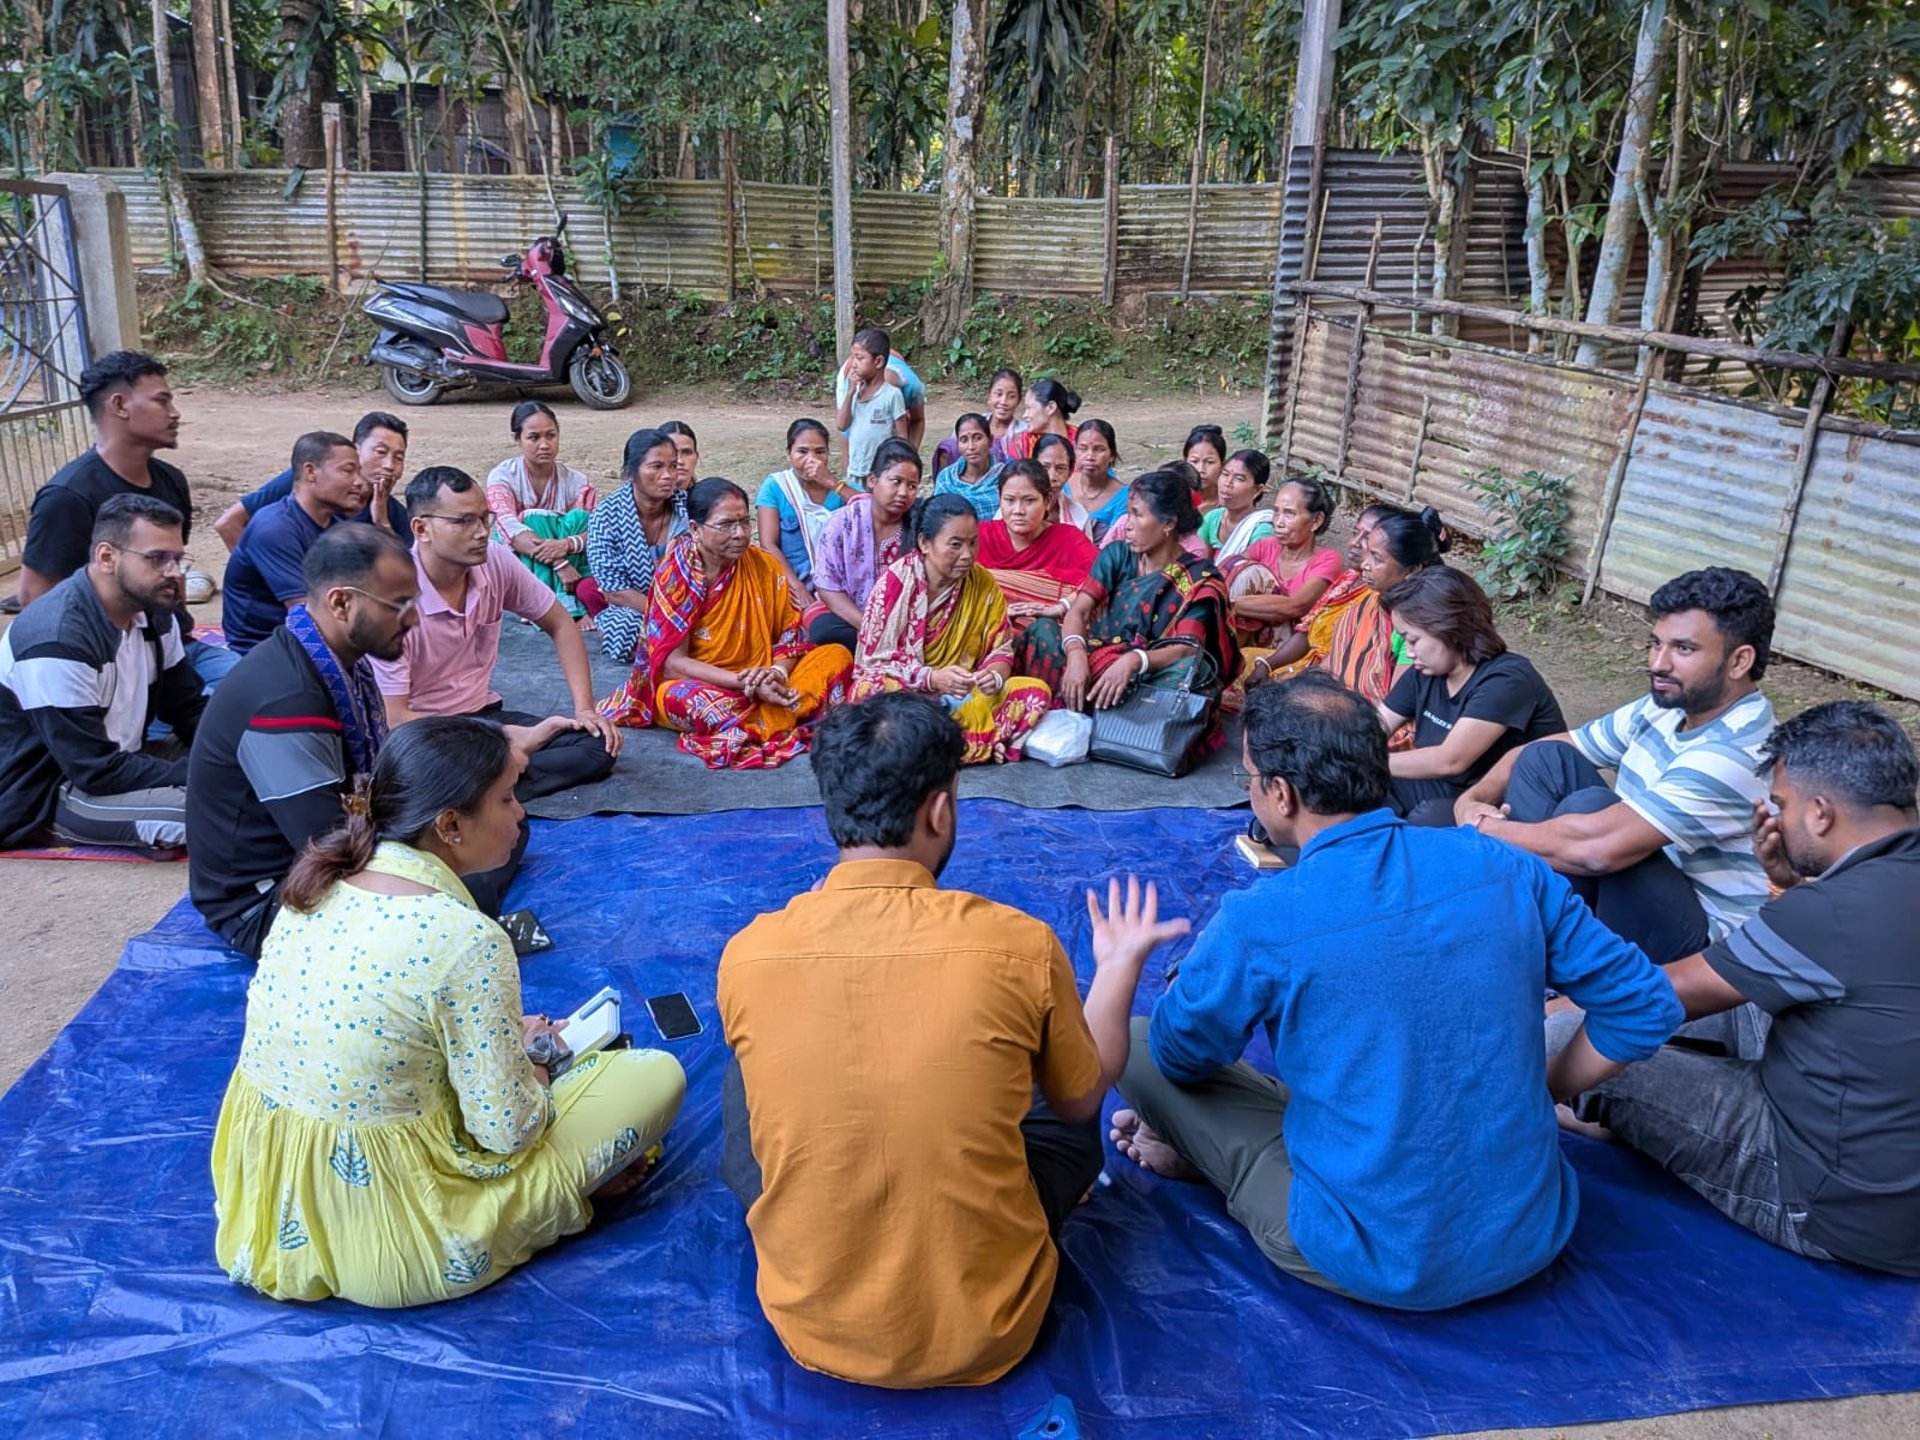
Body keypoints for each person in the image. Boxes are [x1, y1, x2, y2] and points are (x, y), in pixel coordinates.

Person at [1111, 672, 1683, 1309]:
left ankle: (1220, 1162)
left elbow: (1180, 1055)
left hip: (1375, 1256)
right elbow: (1644, 1003)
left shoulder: (1264, 916)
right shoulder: (1507, 865)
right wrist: (1539, 1089)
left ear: (1280, 792)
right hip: (1532, 1231)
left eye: (1248, 779)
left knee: (1131, 1042)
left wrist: (1192, 983)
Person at [718, 692, 1187, 1388]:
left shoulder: (749, 953)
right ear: (940, 810)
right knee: (1059, 1101)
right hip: (994, 1328)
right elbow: (1084, 1097)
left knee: (742, 1079)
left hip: (809, 1323)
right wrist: (1117, 967)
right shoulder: (1019, 944)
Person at [210, 716, 686, 1308]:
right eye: (507, 798)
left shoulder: (315, 888)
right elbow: (505, 1131)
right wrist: (537, 1061)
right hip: (402, 1241)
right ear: (450, 825)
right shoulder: (466, 939)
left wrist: (503, 1037)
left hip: (268, 1212)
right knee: (654, 1074)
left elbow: (384, 1026)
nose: (520, 814)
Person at [1547, 701, 1920, 1277]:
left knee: (1568, 1033)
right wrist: (1786, 887)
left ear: (1821, 813)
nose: (1775, 817)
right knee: (1740, 1009)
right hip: (1891, 1165)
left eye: (1784, 805)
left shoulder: (1833, 914)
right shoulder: (1879, 887)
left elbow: (1648, 1000)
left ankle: (1535, 1110)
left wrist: (1539, 1071)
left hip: (1831, 1206)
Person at [1458, 567, 1777, 1056]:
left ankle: (1540, 962)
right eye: (1655, 643)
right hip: (1634, 890)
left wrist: (1481, 830)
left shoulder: (1737, 749)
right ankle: (1527, 947)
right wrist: (1473, 797)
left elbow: (1597, 849)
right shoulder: (1668, 705)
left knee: (1591, 811)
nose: (1658, 662)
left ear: (1740, 661)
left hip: (1696, 946)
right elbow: (1551, 746)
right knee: (1549, 762)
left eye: (1683, 649)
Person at [187, 525, 537, 957]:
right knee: (469, 870)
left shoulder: (336, 660)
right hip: (267, 905)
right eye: (400, 605)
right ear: (341, 602)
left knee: (498, 827)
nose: (413, 619)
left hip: (325, 853)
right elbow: (328, 848)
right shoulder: (287, 700)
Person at [373, 467, 620, 799]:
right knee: (418, 770)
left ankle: (486, 788)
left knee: (595, 745)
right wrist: (504, 738)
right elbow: (396, 720)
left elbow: (561, 624)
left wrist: (585, 709)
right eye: (464, 522)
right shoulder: (394, 597)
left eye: (485, 519)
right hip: (425, 733)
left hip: (482, 716)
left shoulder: (495, 561)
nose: (481, 532)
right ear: (421, 528)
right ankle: (493, 782)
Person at [17, 350, 234, 692]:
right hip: (111, 664)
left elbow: (171, 573)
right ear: (120, 405)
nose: (174, 413)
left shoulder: (171, 480)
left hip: (176, 650)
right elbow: (35, 600)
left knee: (269, 693)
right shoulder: (68, 496)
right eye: (162, 401)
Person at [600, 478, 852, 769]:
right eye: (726, 525)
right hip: (705, 684)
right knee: (684, 699)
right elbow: (672, 664)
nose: (741, 534)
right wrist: (743, 682)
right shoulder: (676, 576)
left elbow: (789, 639)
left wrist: (775, 673)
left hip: (764, 677)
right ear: (695, 529)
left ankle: (759, 722)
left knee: (835, 656)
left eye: (745, 522)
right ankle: (780, 718)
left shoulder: (764, 565)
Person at [0, 494, 203, 849]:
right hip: (55, 787)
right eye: (157, 558)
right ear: (107, 556)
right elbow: (93, 768)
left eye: (178, 559)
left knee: (257, 757)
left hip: (125, 757)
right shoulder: (56, 638)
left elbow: (187, 708)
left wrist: (235, 752)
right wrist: (210, 773)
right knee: (220, 815)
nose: (174, 572)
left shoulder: (154, 609)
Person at [1020, 469, 1238, 727]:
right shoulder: (1117, 555)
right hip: (1098, 656)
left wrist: (1135, 660)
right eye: (1128, 512)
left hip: (1148, 671)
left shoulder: (1197, 578)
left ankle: (1103, 719)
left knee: (1189, 673)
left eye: (1137, 515)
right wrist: (1077, 654)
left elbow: (1187, 647)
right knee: (1041, 630)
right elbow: (1078, 611)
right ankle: (1103, 714)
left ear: (1168, 523)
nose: (1127, 523)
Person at [854, 495, 1051, 764]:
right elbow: (874, 662)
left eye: (973, 543)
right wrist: (932, 679)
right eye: (955, 545)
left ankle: (936, 747)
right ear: (925, 543)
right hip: (909, 693)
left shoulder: (982, 583)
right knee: (872, 689)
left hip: (964, 695)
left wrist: (992, 677)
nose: (967, 555)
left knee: (1034, 691)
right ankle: (977, 742)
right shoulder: (896, 584)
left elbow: (1001, 649)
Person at [1374, 567, 1565, 825]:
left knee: (1426, 819)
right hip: (1446, 790)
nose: (1408, 653)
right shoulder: (1425, 673)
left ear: (1449, 627)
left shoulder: (1507, 679)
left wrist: (1364, 761)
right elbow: (1374, 727)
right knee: (1350, 788)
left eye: (1413, 640)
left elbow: (1451, 760)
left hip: (1502, 805)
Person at [220, 431, 372, 654]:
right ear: (311, 472)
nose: (360, 482)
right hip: (262, 649)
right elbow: (308, 618)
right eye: (348, 470)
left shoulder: (338, 526)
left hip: (311, 637)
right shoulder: (273, 528)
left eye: (359, 472)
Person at [212, 412, 412, 550]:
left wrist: (382, 523)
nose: (389, 465)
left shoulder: (390, 512)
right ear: (356, 450)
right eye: (380, 452)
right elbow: (228, 524)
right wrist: (258, 578)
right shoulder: (310, 478)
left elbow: (413, 577)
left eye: (399, 458)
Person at [483, 401, 602, 620]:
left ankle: (557, 604)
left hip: (570, 558)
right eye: (534, 437)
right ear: (517, 439)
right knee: (532, 518)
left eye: (551, 435)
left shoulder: (577, 481)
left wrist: (565, 545)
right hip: (521, 559)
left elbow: (596, 530)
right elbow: (509, 528)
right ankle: (560, 605)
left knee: (578, 518)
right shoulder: (503, 476)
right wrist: (559, 563)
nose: (545, 445)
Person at [586, 427, 690, 666]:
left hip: (687, 604)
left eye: (673, 466)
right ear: (631, 472)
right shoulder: (606, 516)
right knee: (625, 628)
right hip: (636, 608)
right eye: (656, 467)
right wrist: (668, 616)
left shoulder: (687, 507)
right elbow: (614, 590)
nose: (668, 475)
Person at [807, 437, 922, 652]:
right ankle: (885, 648)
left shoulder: (919, 527)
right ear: (872, 480)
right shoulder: (843, 522)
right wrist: (870, 628)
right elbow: (827, 587)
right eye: (896, 481)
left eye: (912, 486)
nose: (904, 492)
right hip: (851, 617)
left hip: (901, 619)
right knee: (823, 628)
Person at [976, 459, 1098, 630]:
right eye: (1009, 500)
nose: (1018, 510)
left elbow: (1101, 579)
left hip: (1048, 638)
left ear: (1047, 500)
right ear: (999, 499)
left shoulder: (1069, 539)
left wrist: (1060, 607)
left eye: (1029, 500)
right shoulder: (979, 536)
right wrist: (997, 612)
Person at [1226, 475, 1341, 654]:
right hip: (1245, 637)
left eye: (1289, 513)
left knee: (1250, 575)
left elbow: (1294, 606)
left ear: (1316, 521)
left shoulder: (1327, 560)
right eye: (1276, 511)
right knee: (1238, 569)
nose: (1278, 522)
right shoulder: (1266, 546)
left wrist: (1230, 605)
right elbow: (1230, 574)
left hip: (1288, 650)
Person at [756, 418, 853, 607]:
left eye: (820, 452)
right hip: (795, 585)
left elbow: (871, 509)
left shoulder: (840, 489)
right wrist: (798, 588)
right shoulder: (776, 488)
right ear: (788, 454)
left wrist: (831, 483)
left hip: (840, 588)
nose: (812, 459)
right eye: (802, 451)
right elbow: (768, 544)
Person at [833, 327, 910, 486]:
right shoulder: (854, 392)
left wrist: (900, 467)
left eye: (859, 358)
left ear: (878, 362)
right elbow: (841, 425)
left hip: (880, 472)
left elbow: (902, 437)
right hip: (855, 470)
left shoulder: (891, 395)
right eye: (853, 357)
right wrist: (849, 393)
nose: (853, 364)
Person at [932, 367, 1023, 472]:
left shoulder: (1023, 432)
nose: (1003, 401)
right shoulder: (974, 422)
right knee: (948, 446)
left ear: (1018, 400)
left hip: (1006, 482)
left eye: (1011, 396)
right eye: (998, 394)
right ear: (989, 396)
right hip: (968, 475)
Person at [1057, 420, 1128, 543]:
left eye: (1099, 450)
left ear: (1112, 454)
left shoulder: (1124, 497)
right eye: (1083, 449)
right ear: (1075, 451)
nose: (1089, 456)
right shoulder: (1062, 485)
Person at [1197, 448, 1275, 559]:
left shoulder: (1261, 532)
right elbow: (1195, 560)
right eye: (1225, 474)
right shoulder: (1213, 518)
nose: (1228, 483)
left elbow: (1251, 573)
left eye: (1239, 478)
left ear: (1257, 490)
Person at [929, 413, 1004, 519]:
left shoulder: (1005, 477)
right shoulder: (946, 479)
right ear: (958, 445)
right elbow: (937, 519)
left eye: (977, 438)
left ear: (990, 440)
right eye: (964, 440)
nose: (971, 446)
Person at [1002, 378, 1081, 463]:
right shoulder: (1021, 444)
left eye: (1029, 408)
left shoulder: (1081, 441)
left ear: (1050, 408)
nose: (1024, 415)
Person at [1183, 425, 1228, 509]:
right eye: (1194, 461)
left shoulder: (1230, 503)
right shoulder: (1175, 500)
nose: (1201, 470)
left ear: (1223, 464)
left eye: (1209, 462)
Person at [660, 419, 700, 491]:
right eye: (672, 452)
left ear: (696, 457)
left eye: (687, 452)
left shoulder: (709, 499)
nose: (680, 461)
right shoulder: (639, 500)